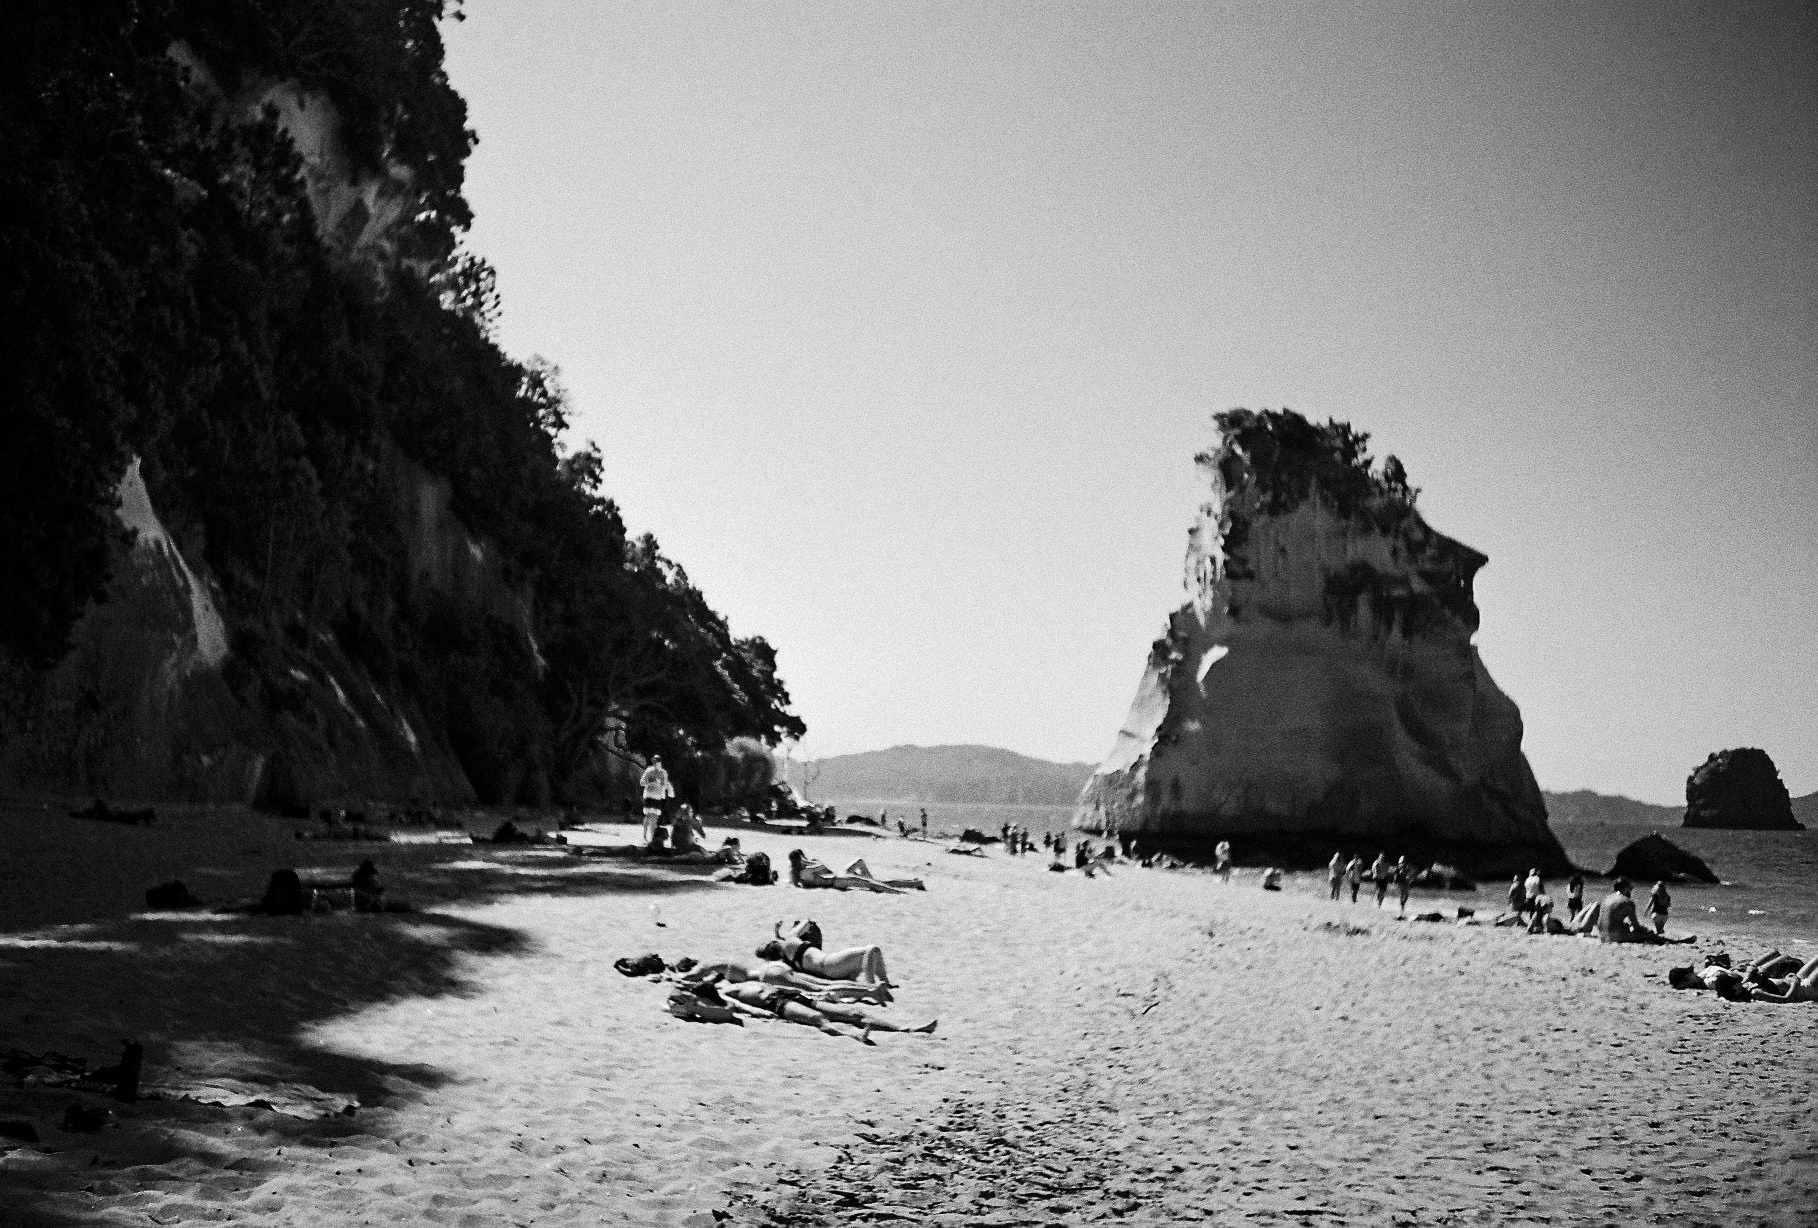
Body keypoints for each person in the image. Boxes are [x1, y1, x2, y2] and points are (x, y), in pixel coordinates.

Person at [754, 934, 893, 986]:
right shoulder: (790, 943)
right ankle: (872, 985)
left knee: (870, 956)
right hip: (829, 963)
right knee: (871, 950)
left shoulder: (787, 963)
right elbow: (803, 925)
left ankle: (883, 982)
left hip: (829, 972)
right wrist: (778, 933)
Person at [785, 849, 914, 893]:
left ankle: (912, 884)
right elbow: (821, 866)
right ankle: (898, 891)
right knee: (870, 883)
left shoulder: (799, 873)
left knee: (870, 881)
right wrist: (807, 861)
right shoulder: (805, 871)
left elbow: (794, 882)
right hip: (836, 881)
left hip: (836, 879)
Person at [1739, 952, 1818, 1003]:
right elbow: (1786, 999)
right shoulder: (1756, 992)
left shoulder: (1752, 982)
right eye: (1757, 973)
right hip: (1804, 990)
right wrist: (1795, 983)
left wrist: (1787, 978)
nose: (1760, 973)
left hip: (1798, 978)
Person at [639, 756, 673, 845]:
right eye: (654, 762)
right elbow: (642, 782)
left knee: (655, 817)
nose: (655, 764)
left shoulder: (663, 773)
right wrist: (650, 783)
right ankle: (645, 836)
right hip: (649, 796)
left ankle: (651, 838)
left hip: (658, 797)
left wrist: (668, 789)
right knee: (649, 816)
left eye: (657, 762)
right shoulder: (649, 771)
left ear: (660, 763)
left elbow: (665, 784)